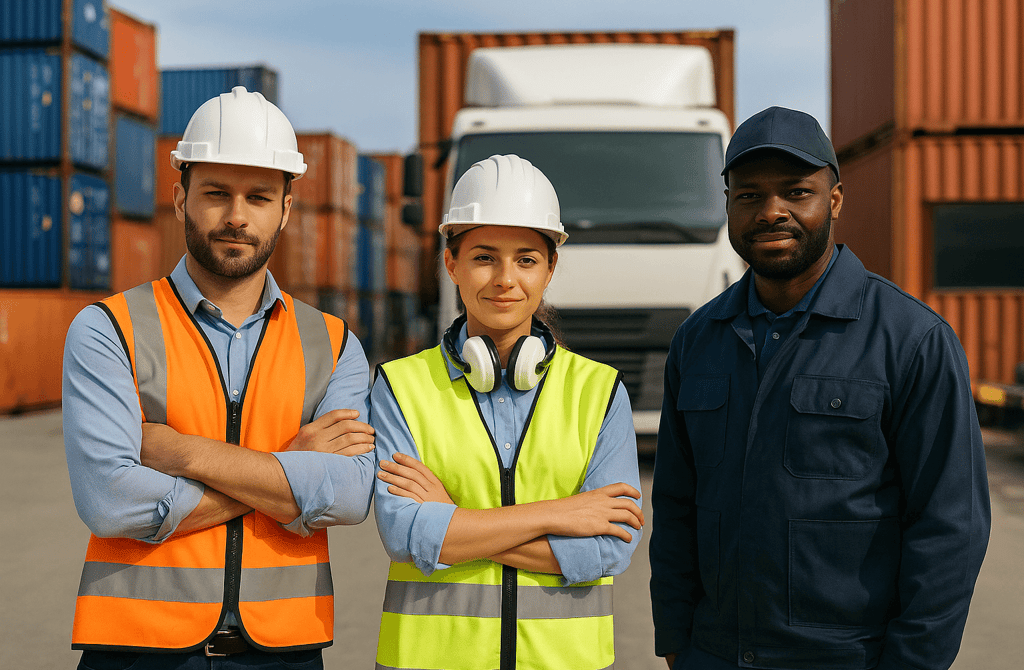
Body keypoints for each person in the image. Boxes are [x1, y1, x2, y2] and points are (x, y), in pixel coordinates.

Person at [649, 106, 991, 670]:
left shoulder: (911, 339)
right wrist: (674, 636)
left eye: (795, 193)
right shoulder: (698, 340)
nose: (771, 212)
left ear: (833, 201)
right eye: (748, 196)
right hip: (713, 654)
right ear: (728, 204)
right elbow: (677, 504)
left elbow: (951, 524)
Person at [62, 87, 376, 669]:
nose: (237, 216)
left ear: (285, 208)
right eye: (216, 194)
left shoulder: (334, 345)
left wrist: (179, 451)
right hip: (136, 651)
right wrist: (290, 468)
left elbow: (352, 495)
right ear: (180, 198)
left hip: (284, 653)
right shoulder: (109, 329)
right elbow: (110, 501)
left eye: (258, 197)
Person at [371, 154, 644, 670]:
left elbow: (608, 551)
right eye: (483, 257)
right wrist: (560, 514)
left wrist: (454, 523)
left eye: (525, 259)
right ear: (450, 263)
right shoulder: (400, 387)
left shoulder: (600, 391)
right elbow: (406, 536)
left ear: (550, 268)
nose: (504, 279)